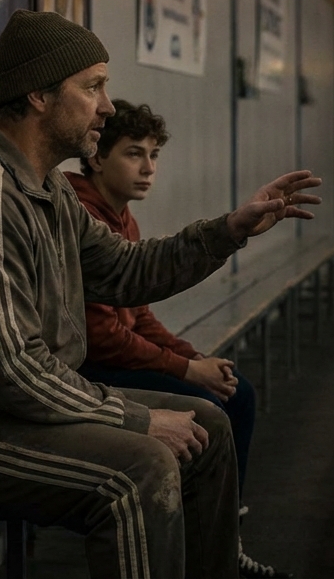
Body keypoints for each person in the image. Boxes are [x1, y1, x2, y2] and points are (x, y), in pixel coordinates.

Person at [0, 9, 323, 578]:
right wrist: (138, 419)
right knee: (140, 472)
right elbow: (12, 369)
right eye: (92, 87)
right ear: (39, 95)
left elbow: (127, 270)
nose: (106, 106)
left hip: (8, 410)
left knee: (209, 424)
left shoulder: (46, 187)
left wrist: (229, 230)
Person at [68, 100, 288, 578]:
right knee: (208, 407)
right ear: (96, 158)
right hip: (84, 370)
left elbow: (139, 315)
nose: (148, 168)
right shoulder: (80, 212)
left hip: (115, 358)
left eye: (154, 155)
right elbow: (101, 336)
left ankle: (222, 543)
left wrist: (194, 356)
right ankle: (208, 550)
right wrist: (187, 370)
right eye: (133, 153)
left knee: (235, 391)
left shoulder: (122, 217)